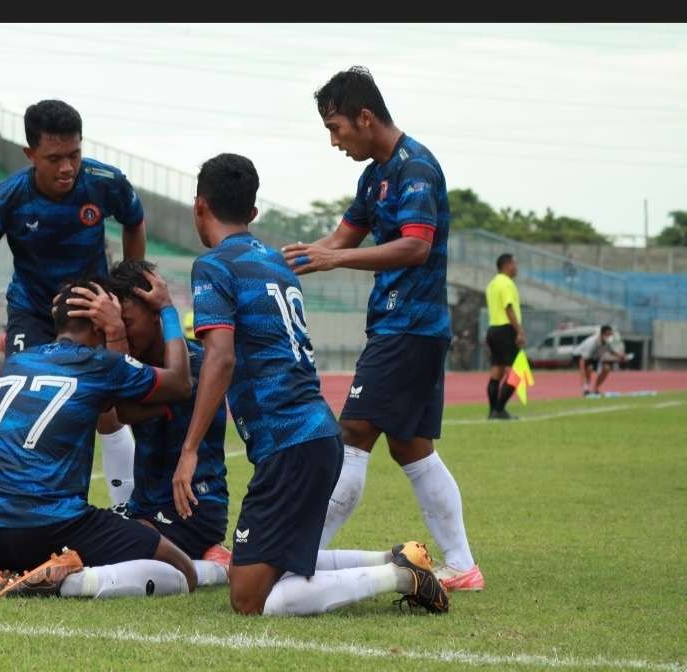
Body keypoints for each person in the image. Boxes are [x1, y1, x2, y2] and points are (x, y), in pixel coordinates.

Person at [177, 152, 448, 616]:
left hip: (289, 443)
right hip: (315, 433)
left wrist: (189, 451)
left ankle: (399, 576)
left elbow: (220, 359)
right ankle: (394, 559)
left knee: (248, 598)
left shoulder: (214, 266)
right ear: (254, 213)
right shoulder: (276, 263)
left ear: (199, 206)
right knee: (278, 563)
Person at [280, 67, 483, 593]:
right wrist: (298, 260)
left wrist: (333, 261)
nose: (334, 141)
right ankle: (461, 566)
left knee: (352, 435)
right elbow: (341, 237)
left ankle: (303, 555)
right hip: (402, 326)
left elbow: (415, 246)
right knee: (413, 448)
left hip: (409, 327)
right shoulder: (375, 176)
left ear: (365, 117)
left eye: (336, 127)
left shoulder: (417, 168)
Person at [0, 99, 147, 506]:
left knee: (105, 408)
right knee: (21, 404)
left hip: (88, 309)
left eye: (74, 154)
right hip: (33, 312)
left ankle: (127, 508)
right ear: (30, 154)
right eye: (54, 157)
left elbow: (134, 219)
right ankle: (19, 507)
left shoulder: (104, 181)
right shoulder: (7, 200)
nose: (67, 167)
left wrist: (124, 291)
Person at [0, 277, 199, 599]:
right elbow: (181, 383)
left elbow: (114, 412)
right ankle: (73, 581)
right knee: (182, 569)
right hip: (47, 528)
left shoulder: (16, 361)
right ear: (99, 320)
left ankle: (0, 568)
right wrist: (166, 311)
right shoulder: (97, 364)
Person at [91, 260, 232, 588]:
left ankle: (215, 569)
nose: (123, 331)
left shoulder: (195, 367)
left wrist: (167, 309)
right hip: (148, 510)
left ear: (154, 312)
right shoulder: (142, 367)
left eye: (127, 322)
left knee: (106, 547)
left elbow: (125, 411)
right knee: (88, 530)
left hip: (191, 511)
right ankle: (207, 560)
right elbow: (103, 415)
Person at [484, 253, 525, 419]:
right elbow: (508, 308)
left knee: (497, 372)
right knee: (518, 372)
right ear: (507, 265)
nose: (516, 267)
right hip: (506, 330)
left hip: (493, 329)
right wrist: (519, 330)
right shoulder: (507, 283)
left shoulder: (492, 284)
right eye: (515, 264)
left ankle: (493, 412)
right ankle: (499, 409)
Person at [574, 324, 627, 397]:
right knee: (589, 369)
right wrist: (582, 373)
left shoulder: (607, 342)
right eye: (608, 334)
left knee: (606, 368)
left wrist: (621, 356)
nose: (609, 336)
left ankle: (596, 389)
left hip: (595, 358)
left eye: (610, 334)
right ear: (602, 334)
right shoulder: (592, 342)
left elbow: (611, 351)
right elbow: (582, 359)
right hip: (581, 355)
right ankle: (586, 389)